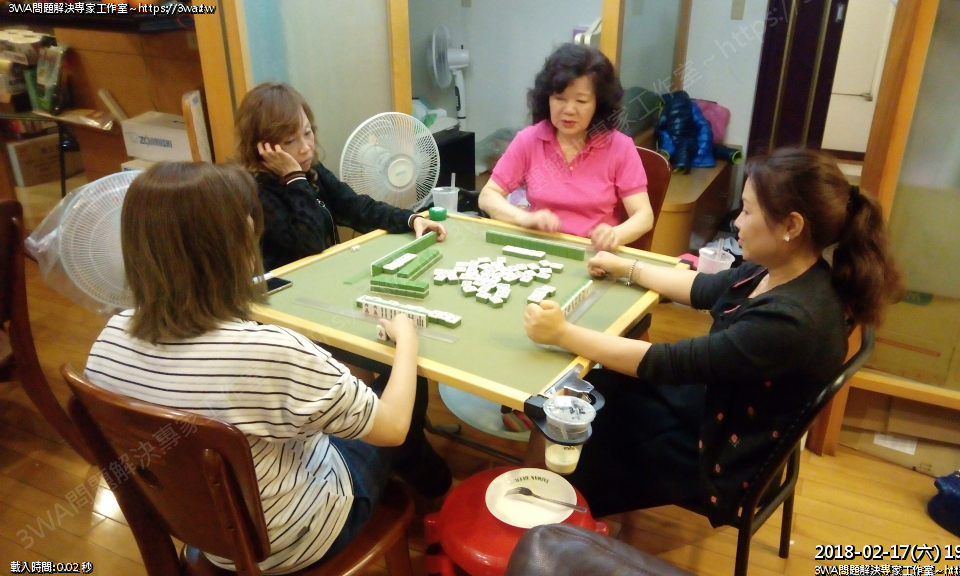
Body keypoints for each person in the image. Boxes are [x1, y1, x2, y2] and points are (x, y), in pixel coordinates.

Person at [85, 163, 451, 574]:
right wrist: (407, 339)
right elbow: (393, 426)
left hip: (199, 530)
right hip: (298, 536)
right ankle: (432, 481)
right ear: (234, 250)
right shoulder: (270, 352)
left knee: (341, 401)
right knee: (404, 388)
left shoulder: (107, 342)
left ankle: (419, 468)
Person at [522, 148, 904, 525]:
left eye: (748, 211)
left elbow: (667, 362)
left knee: (567, 424)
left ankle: (546, 522)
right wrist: (627, 267)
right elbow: (703, 288)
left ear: (792, 226)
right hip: (715, 401)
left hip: (719, 450)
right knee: (580, 393)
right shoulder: (785, 268)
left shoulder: (791, 320)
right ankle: (544, 504)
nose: (736, 222)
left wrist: (563, 333)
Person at [235, 82, 447, 272]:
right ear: (263, 148)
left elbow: (356, 207)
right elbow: (311, 243)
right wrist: (294, 178)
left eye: (307, 133)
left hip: (325, 276)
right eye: (290, 141)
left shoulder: (312, 171)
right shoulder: (256, 191)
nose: (306, 148)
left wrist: (411, 219)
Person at [477, 44, 653, 252]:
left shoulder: (619, 147)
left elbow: (643, 216)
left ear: (599, 104)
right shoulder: (529, 140)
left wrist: (615, 234)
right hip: (538, 249)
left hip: (594, 254)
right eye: (559, 98)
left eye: (581, 101)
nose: (569, 110)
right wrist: (524, 218)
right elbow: (488, 196)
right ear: (547, 99)